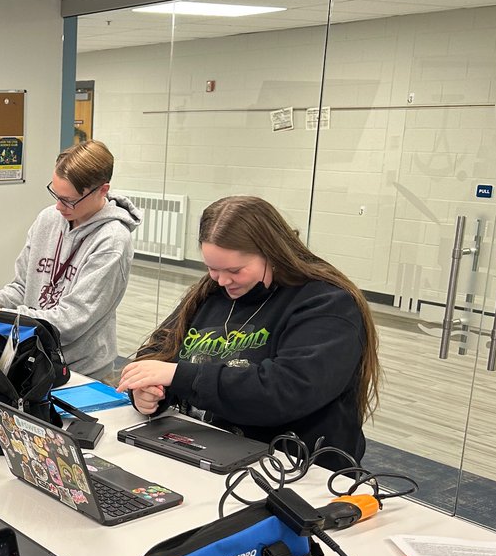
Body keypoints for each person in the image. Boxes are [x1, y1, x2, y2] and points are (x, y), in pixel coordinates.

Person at [118, 195, 380, 469]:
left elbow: (285, 390)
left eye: (234, 270)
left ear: (272, 252)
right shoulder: (213, 292)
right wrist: (149, 393)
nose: (221, 280)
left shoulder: (327, 304)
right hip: (214, 450)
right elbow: (159, 351)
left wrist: (178, 376)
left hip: (294, 467)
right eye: (212, 268)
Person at [0, 140, 140, 381]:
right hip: (31, 358)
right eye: (56, 194)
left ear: (102, 190)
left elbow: (70, 320)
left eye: (69, 200)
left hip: (79, 371)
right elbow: (22, 288)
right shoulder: (48, 219)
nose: (59, 206)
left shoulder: (113, 240)